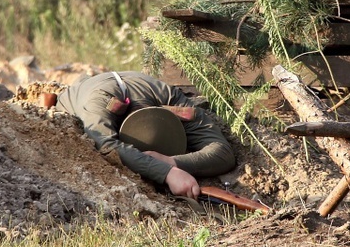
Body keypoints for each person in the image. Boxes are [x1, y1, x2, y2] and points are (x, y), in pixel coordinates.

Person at [55, 71, 236, 199]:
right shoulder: (100, 103)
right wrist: (167, 173)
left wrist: (171, 161)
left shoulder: (169, 98)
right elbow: (106, 145)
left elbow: (223, 153)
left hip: (137, 84)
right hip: (85, 91)